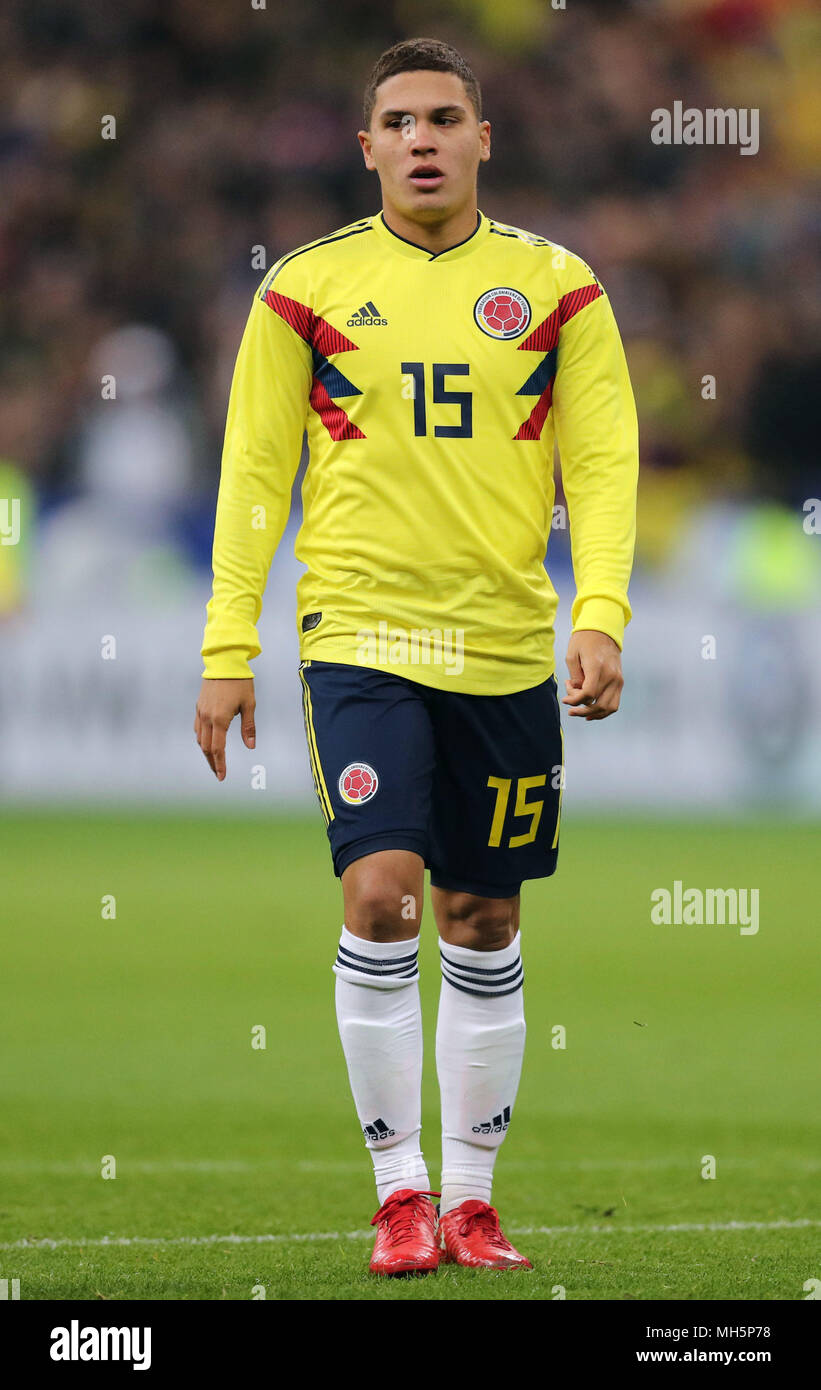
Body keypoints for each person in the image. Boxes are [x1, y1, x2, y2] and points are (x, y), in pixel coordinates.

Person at [195, 37, 638, 1277]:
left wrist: (595, 610)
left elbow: (599, 465)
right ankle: (400, 1194)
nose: (425, 138)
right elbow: (252, 474)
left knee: (481, 914)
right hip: (361, 634)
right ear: (367, 146)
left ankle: (473, 1202)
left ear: (483, 138)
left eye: (447, 116)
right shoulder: (305, 289)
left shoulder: (557, 288)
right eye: (400, 121)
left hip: (502, 643)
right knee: (380, 889)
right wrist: (228, 644)